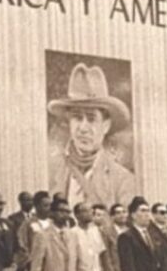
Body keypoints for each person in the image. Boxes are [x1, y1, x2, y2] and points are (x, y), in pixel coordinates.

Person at [47, 63, 136, 208]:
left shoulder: (123, 180)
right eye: (77, 118)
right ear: (69, 122)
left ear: (106, 125)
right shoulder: (52, 170)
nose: (83, 128)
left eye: (91, 119)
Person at [29, 198, 84, 271]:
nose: (65, 215)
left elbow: (79, 264)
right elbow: (36, 267)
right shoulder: (42, 235)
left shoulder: (73, 235)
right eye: (61, 211)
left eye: (68, 212)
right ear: (52, 213)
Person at [117, 197, 167, 271]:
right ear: (133, 215)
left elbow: (160, 261)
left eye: (148, 211)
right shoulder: (126, 237)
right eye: (143, 211)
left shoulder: (154, 235)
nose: (147, 214)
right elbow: (128, 265)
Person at [16, 191, 53, 271]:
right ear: (37, 206)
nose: (49, 208)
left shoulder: (53, 223)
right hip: (35, 265)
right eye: (45, 206)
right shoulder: (27, 224)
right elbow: (22, 244)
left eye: (50, 205)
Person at [72, 202, 106, 271]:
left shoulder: (95, 231)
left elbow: (101, 253)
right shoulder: (72, 233)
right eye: (85, 211)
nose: (90, 213)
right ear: (77, 215)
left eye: (91, 210)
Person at [100, 203, 126, 271]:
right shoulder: (107, 232)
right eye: (118, 213)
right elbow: (106, 256)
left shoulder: (130, 231)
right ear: (112, 216)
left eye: (124, 212)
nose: (122, 215)